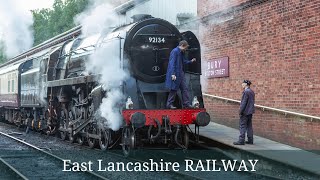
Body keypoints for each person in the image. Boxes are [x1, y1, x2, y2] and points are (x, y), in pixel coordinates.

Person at [165, 40, 196, 109]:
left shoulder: (180, 53)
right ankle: (169, 104)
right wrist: (173, 74)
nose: (186, 49)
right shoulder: (175, 51)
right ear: (182, 45)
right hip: (176, 74)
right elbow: (172, 63)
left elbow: (183, 61)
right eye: (185, 47)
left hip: (181, 74)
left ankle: (186, 104)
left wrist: (191, 61)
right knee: (174, 89)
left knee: (184, 88)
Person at [234, 80, 255, 145]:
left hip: (245, 112)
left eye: (242, 83)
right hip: (250, 112)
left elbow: (244, 103)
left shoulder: (246, 92)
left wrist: (240, 111)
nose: (242, 85)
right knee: (249, 126)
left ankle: (241, 141)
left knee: (242, 126)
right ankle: (250, 140)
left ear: (246, 84)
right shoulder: (252, 91)